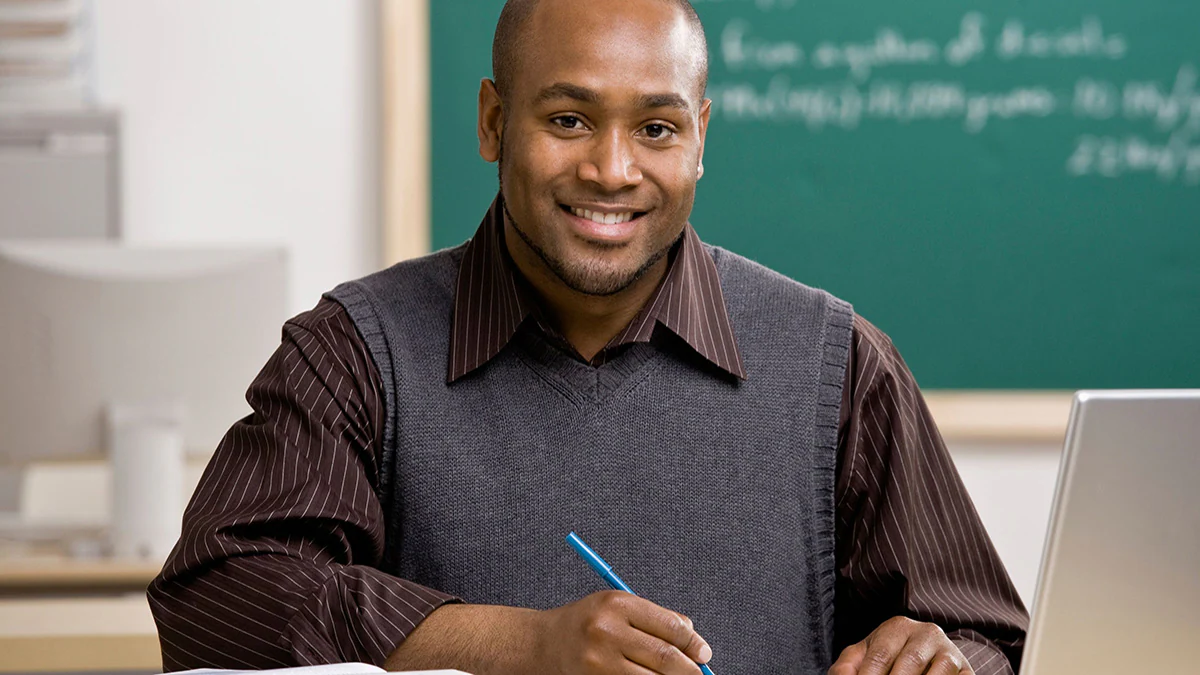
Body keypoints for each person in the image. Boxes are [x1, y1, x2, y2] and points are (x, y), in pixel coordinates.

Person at [148, 1, 1028, 673]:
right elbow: (214, 597)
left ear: (700, 137)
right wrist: (518, 645)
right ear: (494, 121)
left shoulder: (838, 364)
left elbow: (991, 633)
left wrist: (939, 656)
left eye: (656, 128)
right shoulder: (354, 352)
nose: (613, 170)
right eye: (568, 119)